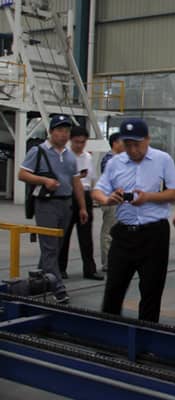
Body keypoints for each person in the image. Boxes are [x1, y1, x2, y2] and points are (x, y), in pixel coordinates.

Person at [93, 118, 175, 322]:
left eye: (137, 144)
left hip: (154, 235)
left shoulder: (163, 160)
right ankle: (109, 332)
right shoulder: (115, 163)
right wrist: (108, 199)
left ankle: (147, 335)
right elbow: (97, 191)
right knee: (113, 290)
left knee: (151, 291)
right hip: (124, 234)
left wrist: (148, 197)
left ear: (147, 139)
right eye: (128, 144)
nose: (133, 150)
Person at [18, 114, 88, 304]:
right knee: (50, 247)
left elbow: (76, 183)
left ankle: (38, 282)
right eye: (59, 130)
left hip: (66, 205)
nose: (64, 134)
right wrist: (44, 180)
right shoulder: (38, 151)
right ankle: (58, 288)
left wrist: (82, 207)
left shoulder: (70, 156)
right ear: (51, 132)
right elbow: (22, 174)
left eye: (66, 131)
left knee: (55, 247)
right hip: (46, 205)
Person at [58, 126, 103, 280]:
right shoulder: (64, 156)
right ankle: (60, 268)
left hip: (85, 195)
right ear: (71, 140)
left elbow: (91, 179)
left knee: (86, 236)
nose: (79, 145)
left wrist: (91, 197)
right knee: (64, 235)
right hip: (69, 196)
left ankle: (90, 270)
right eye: (77, 142)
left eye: (83, 142)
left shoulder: (88, 157)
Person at [99, 132, 125, 272]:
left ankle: (116, 261)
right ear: (115, 143)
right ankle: (108, 263)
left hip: (120, 200)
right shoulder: (109, 159)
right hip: (111, 200)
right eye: (123, 141)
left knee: (118, 231)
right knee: (109, 232)